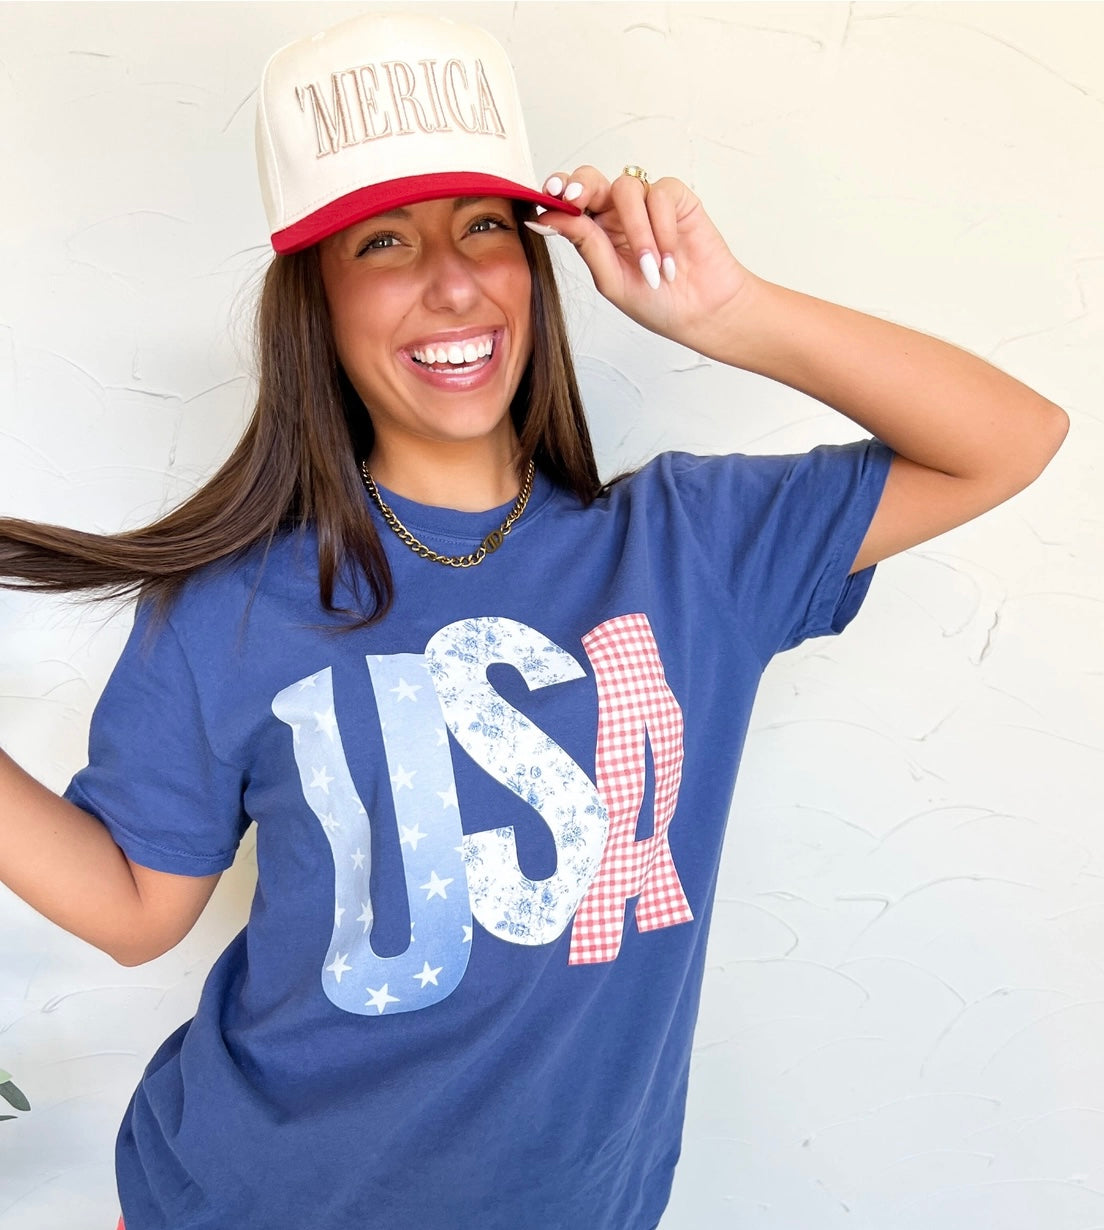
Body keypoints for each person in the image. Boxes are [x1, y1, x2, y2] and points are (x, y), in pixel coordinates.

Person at [0, 11, 1067, 1230]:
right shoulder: (229, 600)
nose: (451, 281)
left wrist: (722, 311)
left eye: (486, 230)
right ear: (318, 303)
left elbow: (1010, 441)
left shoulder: (690, 549)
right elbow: (139, 911)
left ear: (535, 261)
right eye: (383, 242)